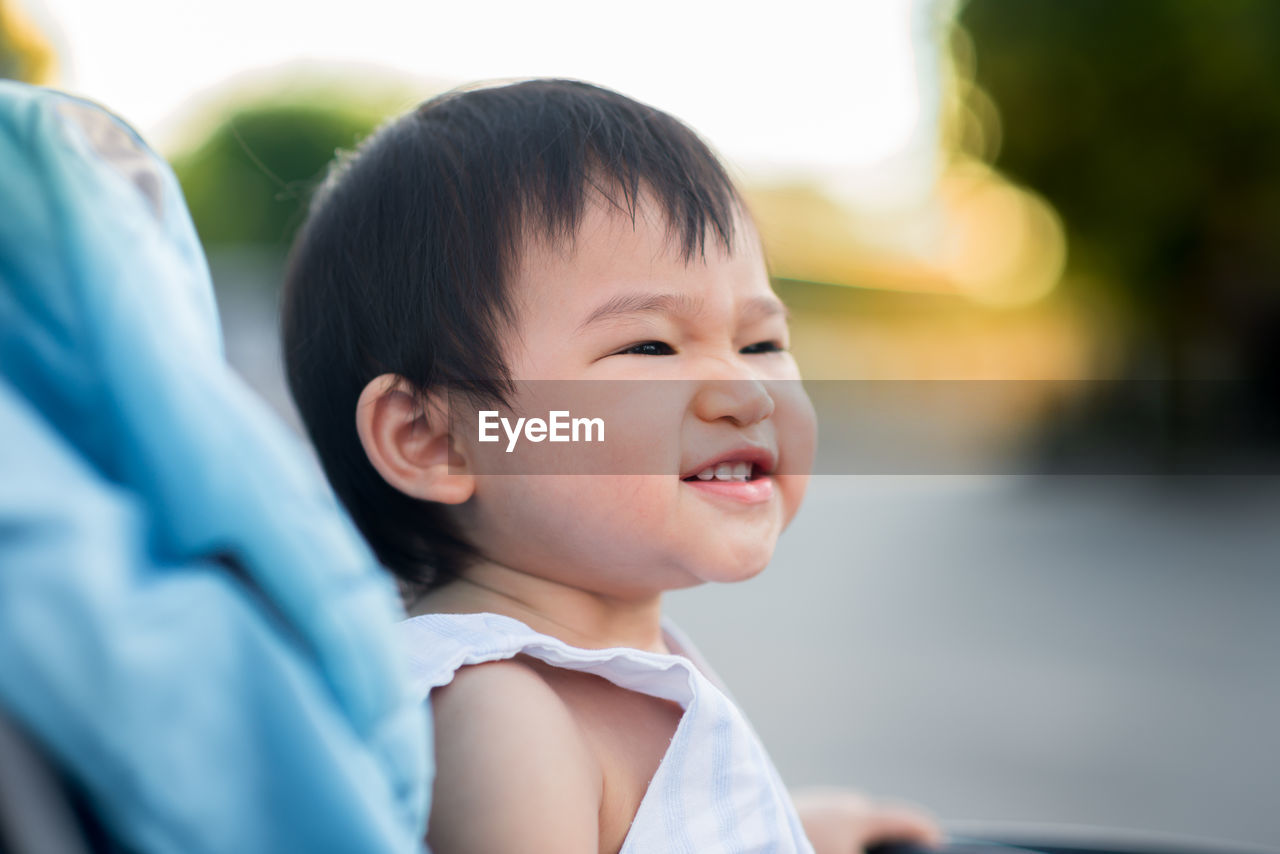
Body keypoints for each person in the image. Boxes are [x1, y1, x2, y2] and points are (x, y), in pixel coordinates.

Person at [281, 78, 942, 854]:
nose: (747, 392)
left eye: (761, 342)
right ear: (436, 439)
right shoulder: (502, 717)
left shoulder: (614, 660)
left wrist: (791, 831)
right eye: (650, 347)